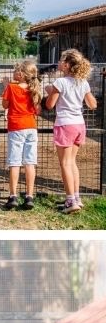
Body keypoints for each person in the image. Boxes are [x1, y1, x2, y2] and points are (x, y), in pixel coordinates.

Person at [44, 49, 98, 214]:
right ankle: (76, 198)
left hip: (65, 125)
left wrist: (50, 91)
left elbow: (49, 105)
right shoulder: (83, 82)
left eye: (61, 60)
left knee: (65, 164)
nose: (59, 62)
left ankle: (70, 201)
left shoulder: (60, 82)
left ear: (67, 65)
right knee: (72, 162)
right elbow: (93, 105)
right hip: (79, 125)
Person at [1, 60, 41, 211]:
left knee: (14, 162)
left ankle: (13, 196)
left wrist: (5, 87)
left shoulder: (11, 87)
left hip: (16, 127)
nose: (13, 72)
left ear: (21, 74)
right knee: (30, 162)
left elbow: (5, 105)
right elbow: (38, 111)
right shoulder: (34, 89)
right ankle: (29, 196)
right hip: (31, 127)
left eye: (16, 70)